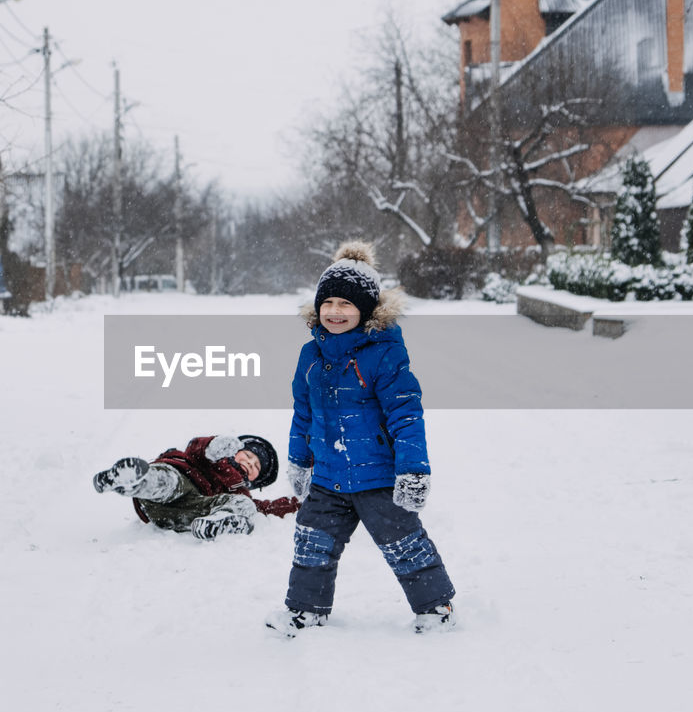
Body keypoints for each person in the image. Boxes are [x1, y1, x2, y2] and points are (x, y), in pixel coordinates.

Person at [267, 241, 456, 636]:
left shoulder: (385, 355)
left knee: (403, 543)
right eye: (329, 302)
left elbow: (407, 415)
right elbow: (303, 413)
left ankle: (436, 607)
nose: (336, 312)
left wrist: (413, 471)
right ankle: (307, 610)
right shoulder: (310, 356)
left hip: (379, 478)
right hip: (328, 476)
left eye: (347, 304)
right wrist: (299, 459)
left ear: (366, 310)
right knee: (312, 541)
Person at [93, 434, 300, 540]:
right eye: (247, 455)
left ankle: (219, 522)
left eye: (256, 467)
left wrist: (301, 504)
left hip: (188, 511)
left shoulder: (241, 490)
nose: (250, 463)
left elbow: (267, 508)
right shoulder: (216, 459)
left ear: (256, 480)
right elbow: (195, 448)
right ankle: (135, 481)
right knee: (169, 482)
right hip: (181, 481)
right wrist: (212, 446)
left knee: (246, 505)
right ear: (235, 451)